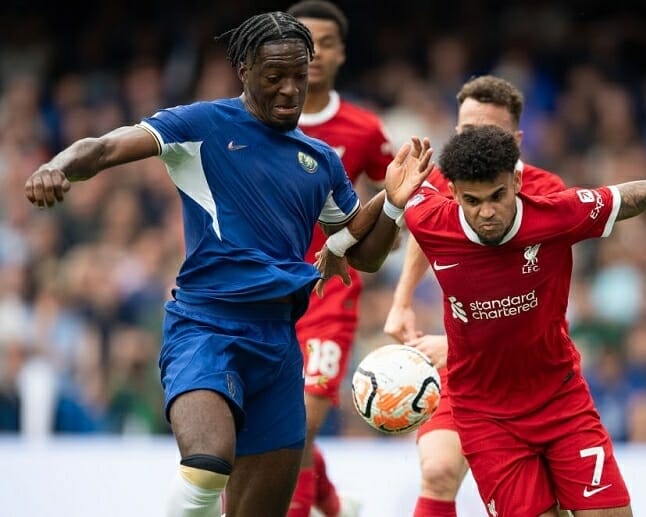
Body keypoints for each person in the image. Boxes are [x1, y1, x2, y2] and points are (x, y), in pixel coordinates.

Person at [23, 11, 432, 517]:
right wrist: (54, 166)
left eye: (298, 78)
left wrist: (391, 204)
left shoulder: (320, 160)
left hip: (280, 345)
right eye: (274, 77)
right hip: (206, 329)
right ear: (244, 70)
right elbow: (105, 147)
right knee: (207, 465)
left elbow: (363, 255)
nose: (289, 91)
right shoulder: (200, 125)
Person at [354, 124, 646, 516]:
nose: (486, 212)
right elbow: (369, 258)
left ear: (517, 182)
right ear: (455, 194)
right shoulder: (430, 218)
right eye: (472, 200)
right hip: (485, 416)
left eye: (497, 196)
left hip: (561, 401)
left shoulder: (558, 214)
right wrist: (389, 206)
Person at [383, 75, 565, 517]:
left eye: (489, 132)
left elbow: (534, 299)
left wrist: (456, 345)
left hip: (530, 377)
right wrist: (402, 299)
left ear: (516, 140)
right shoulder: (450, 180)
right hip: (466, 370)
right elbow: (428, 230)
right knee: (439, 470)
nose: (475, 142)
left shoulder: (546, 194)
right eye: (465, 132)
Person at [285, 2, 394, 516]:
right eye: (304, 41)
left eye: (326, 42)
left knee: (300, 421)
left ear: (341, 52)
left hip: (328, 291)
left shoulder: (363, 129)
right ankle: (333, 506)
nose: (315, 53)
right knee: (273, 424)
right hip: (263, 292)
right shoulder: (247, 121)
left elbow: (405, 192)